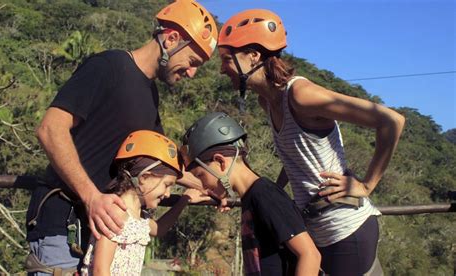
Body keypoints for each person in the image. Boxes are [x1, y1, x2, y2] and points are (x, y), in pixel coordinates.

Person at [25, 0, 218, 274]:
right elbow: (50, 129)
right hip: (64, 223)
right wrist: (92, 197)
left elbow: (164, 163)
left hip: (103, 229)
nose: (192, 72)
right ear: (172, 38)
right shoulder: (108, 67)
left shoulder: (150, 96)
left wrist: (210, 187)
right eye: (192, 61)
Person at [216, 9, 405, 276]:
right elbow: (295, 156)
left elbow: (392, 121)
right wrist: (272, 196)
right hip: (315, 226)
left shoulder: (301, 95)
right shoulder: (267, 101)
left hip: (345, 229)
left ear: (254, 56)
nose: (223, 69)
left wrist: (366, 184)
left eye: (227, 59)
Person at [180, 112, 321, 276]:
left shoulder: (265, 194)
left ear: (220, 161)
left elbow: (310, 255)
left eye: (200, 176)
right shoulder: (251, 196)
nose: (203, 185)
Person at [80, 130, 209, 275]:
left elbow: (159, 229)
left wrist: (185, 199)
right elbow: (100, 270)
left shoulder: (139, 216)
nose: (167, 194)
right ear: (144, 178)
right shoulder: (116, 212)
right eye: (167, 185)